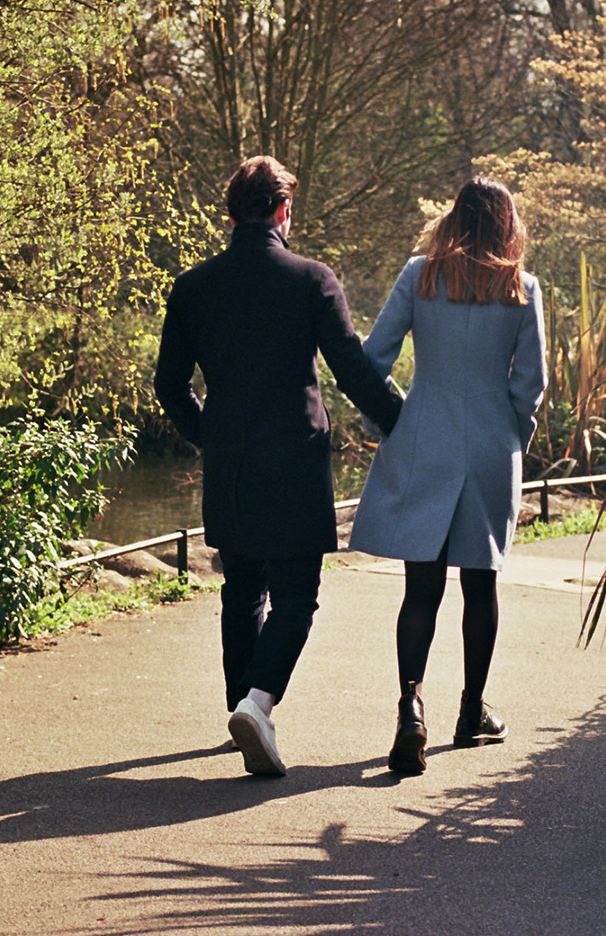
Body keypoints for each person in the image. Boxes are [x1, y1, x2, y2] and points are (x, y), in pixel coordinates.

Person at [153, 156, 403, 777]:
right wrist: (402, 423)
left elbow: (169, 384)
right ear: (285, 210)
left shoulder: (193, 287)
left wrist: (208, 433)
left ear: (230, 213)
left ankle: (242, 705)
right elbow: (352, 370)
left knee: (242, 587)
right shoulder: (311, 279)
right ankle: (257, 704)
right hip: (295, 457)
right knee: (296, 594)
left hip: (232, 459)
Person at [348, 177, 546, 775]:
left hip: (424, 434)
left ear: (453, 218)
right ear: (507, 224)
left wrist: (396, 420)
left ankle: (410, 707)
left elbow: (372, 358)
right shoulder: (522, 287)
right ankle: (469, 711)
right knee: (480, 585)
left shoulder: (420, 275)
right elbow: (530, 385)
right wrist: (514, 440)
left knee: (421, 589)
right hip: (490, 444)